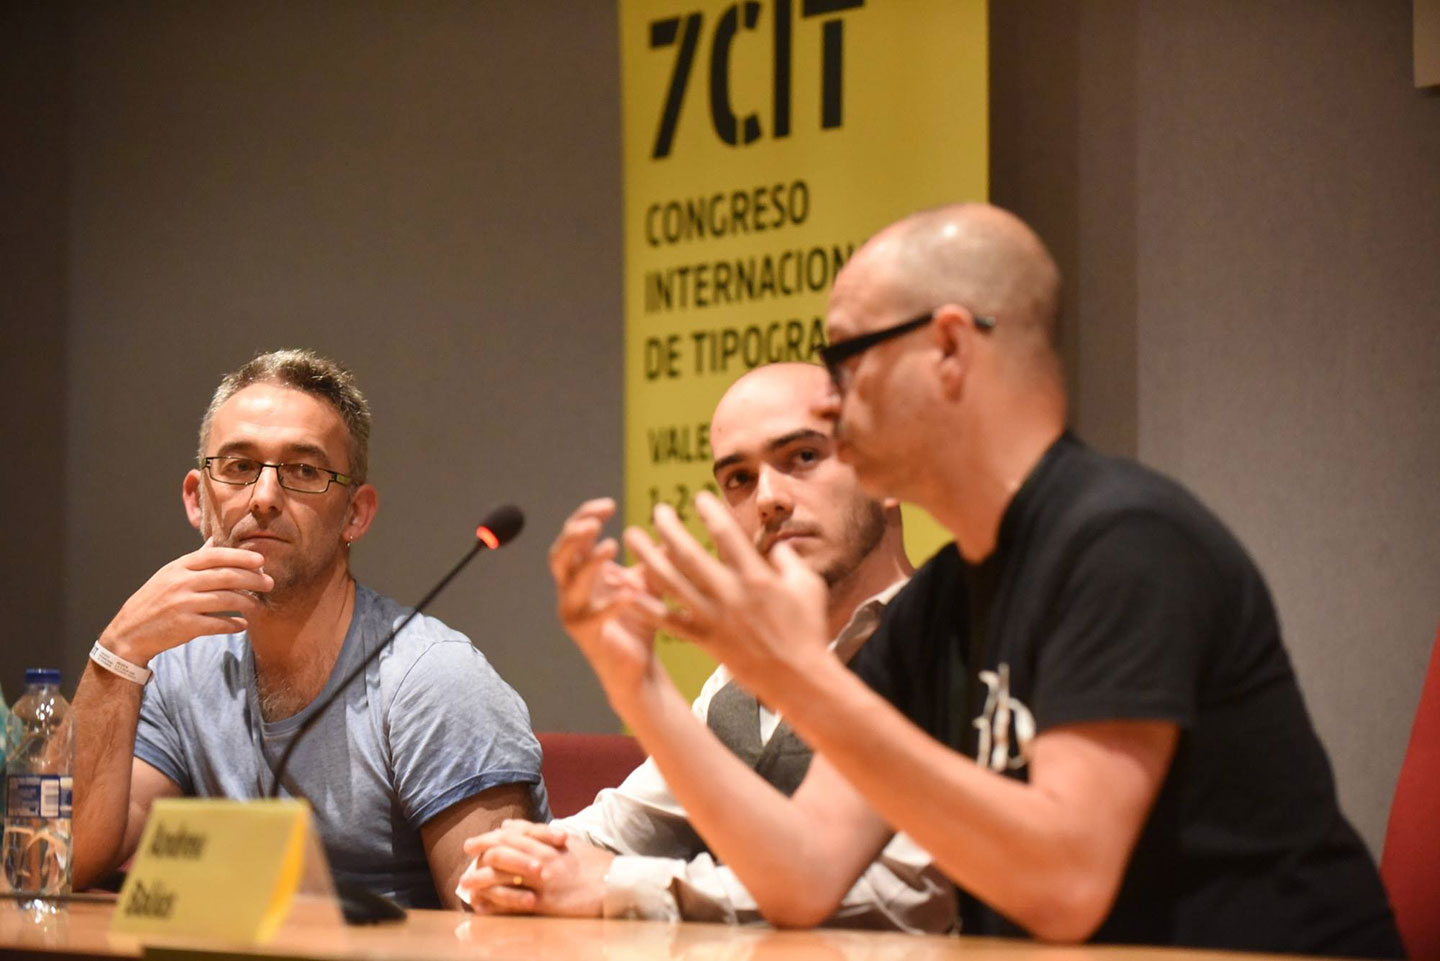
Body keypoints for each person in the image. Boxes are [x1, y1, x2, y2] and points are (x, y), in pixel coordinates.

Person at [594, 206, 1403, 956]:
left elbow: (1065, 885)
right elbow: (803, 875)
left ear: (948, 348)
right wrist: (638, 684)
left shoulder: (1125, 541)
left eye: (847, 360)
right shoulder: (940, 601)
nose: (834, 406)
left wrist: (800, 676)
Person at [458, 363, 954, 932]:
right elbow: (626, 825)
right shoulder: (736, 682)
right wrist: (520, 864)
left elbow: (903, 898)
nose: (768, 498)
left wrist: (616, 887)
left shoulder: (952, 642)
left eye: (804, 457)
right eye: (739, 478)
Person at [70, 348, 547, 909]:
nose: (265, 498)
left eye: (304, 471)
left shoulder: (434, 680)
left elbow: (501, 933)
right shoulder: (179, 670)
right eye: (239, 466)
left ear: (356, 514)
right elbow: (65, 858)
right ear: (198, 500)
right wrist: (118, 650)